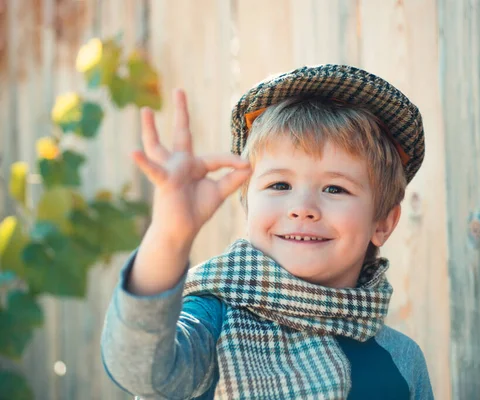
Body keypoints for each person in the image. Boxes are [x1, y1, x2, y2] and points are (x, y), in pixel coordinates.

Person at [101, 64, 434, 399]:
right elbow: (139, 370)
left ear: (383, 224)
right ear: (247, 203)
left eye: (335, 189)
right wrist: (170, 236)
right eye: (280, 184)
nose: (302, 207)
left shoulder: (402, 361)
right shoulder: (210, 323)